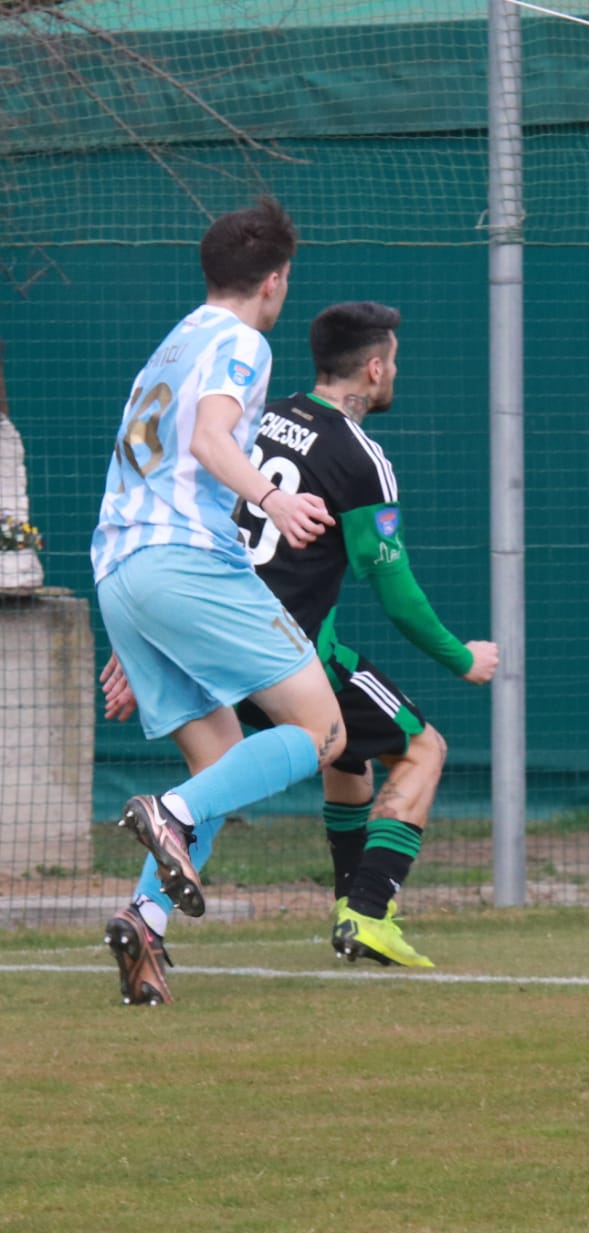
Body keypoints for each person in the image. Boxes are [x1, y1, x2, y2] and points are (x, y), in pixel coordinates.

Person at [92, 199, 347, 1006]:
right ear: (274, 282)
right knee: (323, 729)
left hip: (125, 570)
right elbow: (208, 442)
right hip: (181, 561)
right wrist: (274, 497)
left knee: (218, 759)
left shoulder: (172, 343)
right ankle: (167, 813)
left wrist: (139, 627)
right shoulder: (242, 341)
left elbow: (157, 466)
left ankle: (145, 923)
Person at [230, 301, 499, 968]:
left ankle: (351, 911)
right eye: (395, 364)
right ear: (374, 369)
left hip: (224, 640)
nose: (395, 374)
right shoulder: (357, 456)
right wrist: (463, 657)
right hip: (290, 657)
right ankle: (371, 909)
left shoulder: (261, 418)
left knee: (347, 761)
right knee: (422, 748)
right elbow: (397, 593)